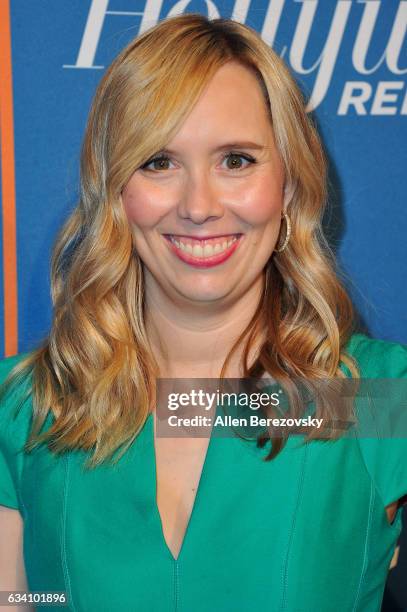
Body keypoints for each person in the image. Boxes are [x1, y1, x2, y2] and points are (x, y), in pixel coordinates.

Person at [0, 12, 406, 612]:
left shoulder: (374, 399)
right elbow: (22, 597)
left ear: (289, 184)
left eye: (236, 160)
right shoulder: (33, 406)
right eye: (159, 162)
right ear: (115, 190)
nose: (199, 205)